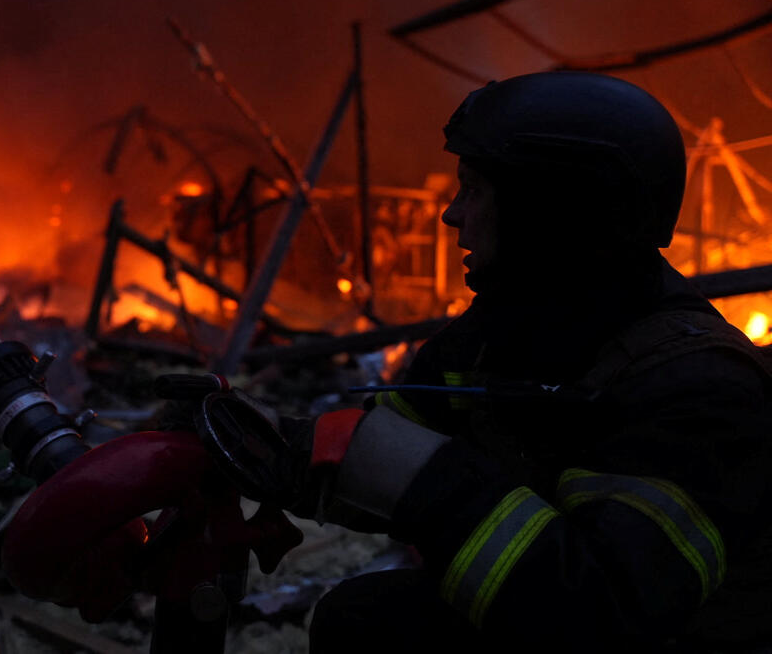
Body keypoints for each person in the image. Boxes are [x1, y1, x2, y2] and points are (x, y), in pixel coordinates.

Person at [196, 72, 772, 652]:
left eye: (473, 190)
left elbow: (599, 616)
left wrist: (433, 485)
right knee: (365, 619)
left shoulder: (698, 389)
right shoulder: (502, 335)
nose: (451, 215)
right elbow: (379, 448)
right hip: (555, 621)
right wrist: (254, 444)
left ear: (550, 213)